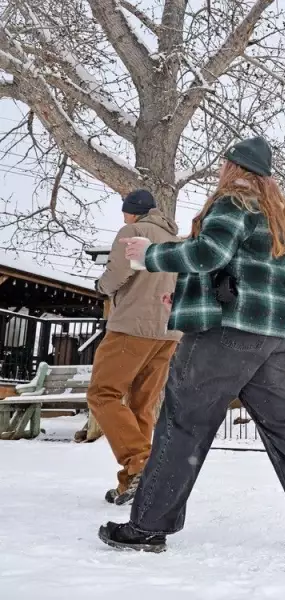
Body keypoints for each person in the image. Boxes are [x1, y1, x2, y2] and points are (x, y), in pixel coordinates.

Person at [97, 137, 285, 555]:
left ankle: (148, 526)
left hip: (229, 333)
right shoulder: (271, 212)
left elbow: (208, 254)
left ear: (233, 167)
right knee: (284, 422)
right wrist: (184, 294)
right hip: (273, 333)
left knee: (182, 420)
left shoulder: (233, 200)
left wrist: (150, 255)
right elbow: (236, 270)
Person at [89, 190, 182, 505]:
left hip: (133, 326)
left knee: (103, 394)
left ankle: (140, 462)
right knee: (142, 404)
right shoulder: (176, 241)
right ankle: (135, 481)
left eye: (125, 212)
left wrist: (101, 287)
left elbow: (118, 273)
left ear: (132, 212)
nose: (123, 217)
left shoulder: (134, 231)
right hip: (168, 332)